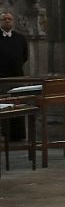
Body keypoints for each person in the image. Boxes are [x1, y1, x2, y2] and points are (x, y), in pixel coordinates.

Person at [0, 10, 28, 141]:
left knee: (17, 105)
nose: (7, 21)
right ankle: (3, 134)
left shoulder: (20, 38)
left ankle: (18, 134)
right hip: (1, 79)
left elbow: (24, 56)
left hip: (17, 76)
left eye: (9, 19)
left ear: (13, 21)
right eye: (4, 19)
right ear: (0, 22)